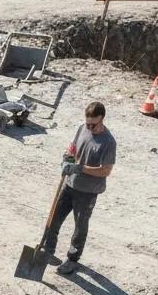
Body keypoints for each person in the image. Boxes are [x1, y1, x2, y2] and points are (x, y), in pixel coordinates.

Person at [43, 101, 117, 275]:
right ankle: (48, 251)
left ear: (102, 119)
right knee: (54, 218)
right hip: (69, 184)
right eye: (87, 123)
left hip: (88, 192)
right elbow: (72, 147)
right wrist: (67, 157)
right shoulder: (82, 128)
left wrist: (81, 168)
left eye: (93, 124)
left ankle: (72, 259)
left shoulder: (108, 142)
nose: (89, 127)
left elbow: (106, 171)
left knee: (80, 226)